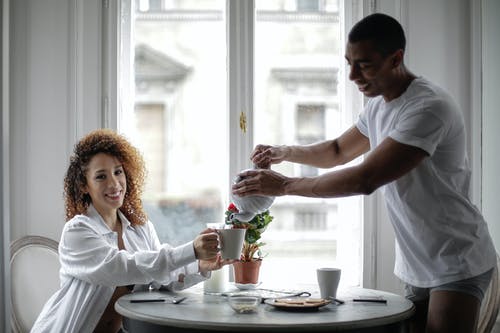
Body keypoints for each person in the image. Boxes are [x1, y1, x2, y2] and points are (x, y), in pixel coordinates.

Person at [232, 13, 497, 333]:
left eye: (365, 64)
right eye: (349, 63)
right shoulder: (378, 104)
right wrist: (284, 152)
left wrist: (285, 185)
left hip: (457, 258)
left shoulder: (427, 107)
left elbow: (365, 178)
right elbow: (337, 152)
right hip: (417, 262)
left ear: (396, 58)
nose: (353, 75)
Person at [31, 129, 232, 333]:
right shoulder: (77, 231)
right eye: (101, 176)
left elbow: (161, 276)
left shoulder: (140, 227)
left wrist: (200, 265)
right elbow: (122, 268)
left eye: (118, 172)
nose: (114, 183)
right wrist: (191, 250)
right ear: (84, 185)